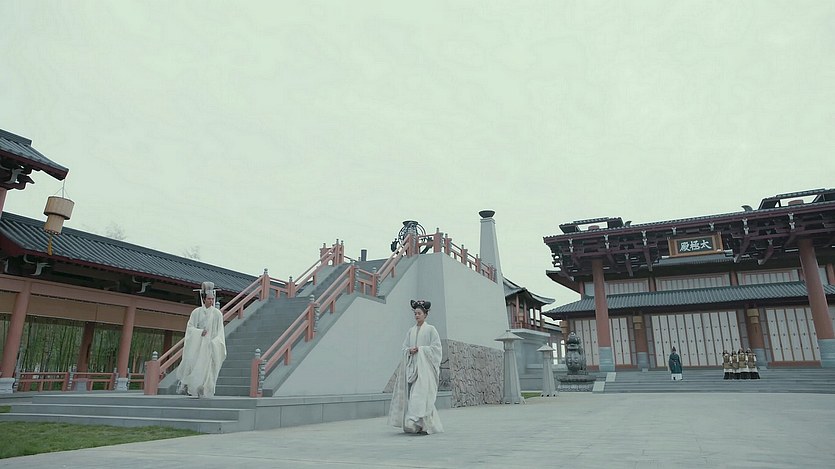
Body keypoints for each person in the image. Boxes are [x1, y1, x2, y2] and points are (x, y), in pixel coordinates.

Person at [388, 299, 444, 434]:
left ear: (425, 314)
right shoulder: (411, 331)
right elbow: (404, 347)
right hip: (414, 368)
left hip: (426, 369)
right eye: (415, 313)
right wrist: (409, 351)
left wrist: (421, 349)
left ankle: (420, 424)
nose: (417, 315)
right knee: (416, 396)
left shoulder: (431, 330)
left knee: (421, 395)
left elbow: (436, 348)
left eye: (419, 313)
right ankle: (422, 425)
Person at [177, 281, 227, 398]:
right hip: (197, 345)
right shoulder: (196, 312)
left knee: (208, 369)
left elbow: (220, 331)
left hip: (210, 346)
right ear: (203, 299)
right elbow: (190, 328)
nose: (211, 301)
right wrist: (199, 332)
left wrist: (215, 342)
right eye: (209, 299)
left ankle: (204, 389)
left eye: (212, 299)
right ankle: (191, 388)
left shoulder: (217, 314)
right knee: (194, 365)